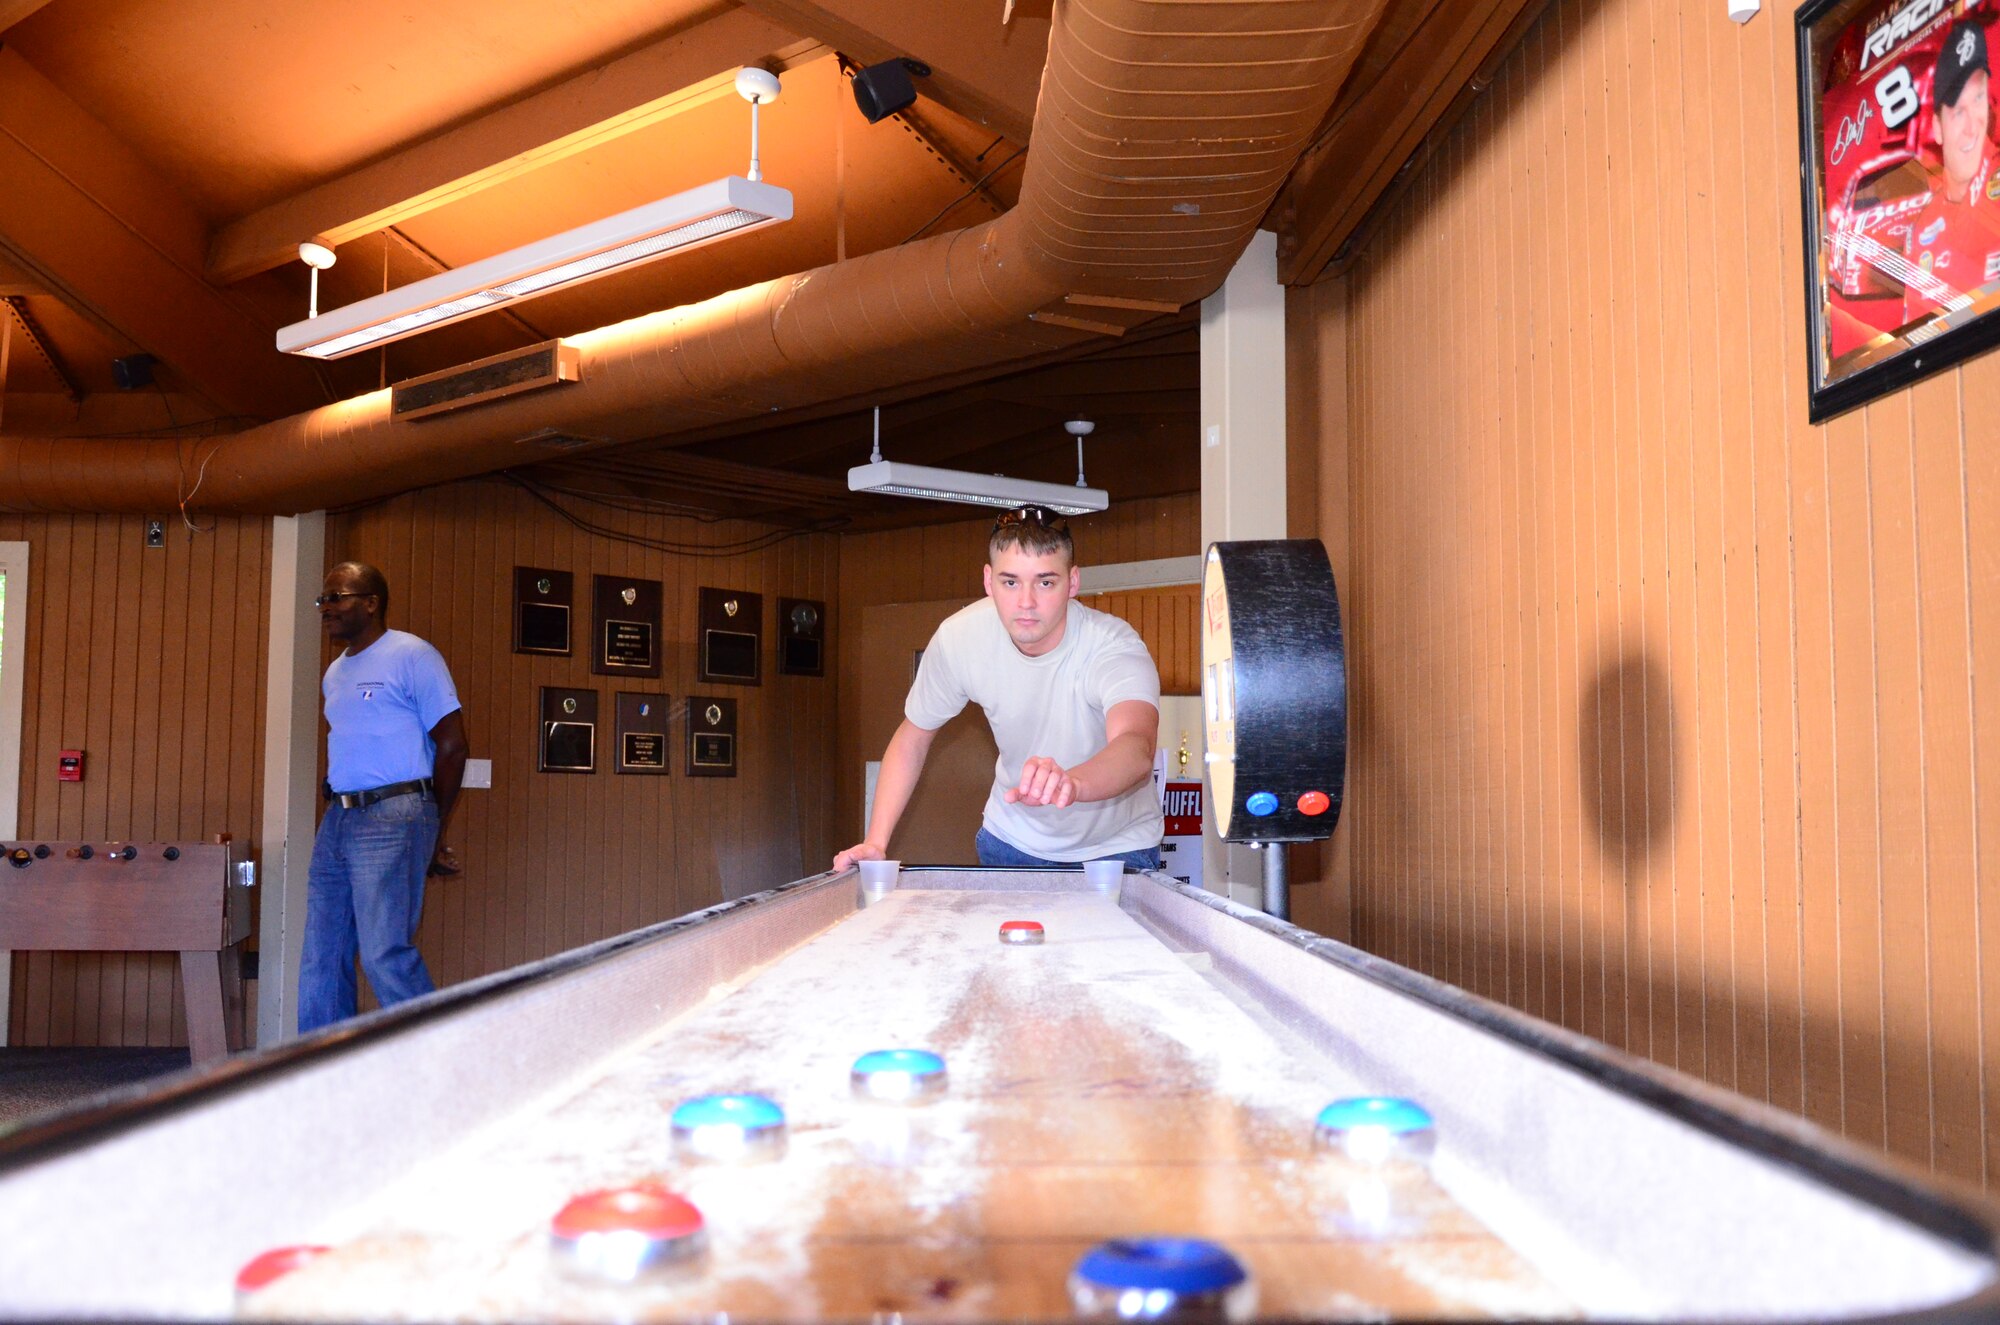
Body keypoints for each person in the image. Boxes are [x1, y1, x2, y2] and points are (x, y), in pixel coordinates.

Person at [834, 506, 1164, 872]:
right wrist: (876, 843)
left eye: (1045, 582)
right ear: (988, 581)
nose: (1026, 602)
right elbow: (913, 736)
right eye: (1010, 582)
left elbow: (1136, 746)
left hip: (1114, 850)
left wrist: (1072, 783)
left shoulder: (1112, 645)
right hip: (1010, 840)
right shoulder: (960, 638)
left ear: (1072, 583)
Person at [298, 561, 468, 1032]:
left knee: (382, 952)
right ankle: (321, 1067)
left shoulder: (413, 655)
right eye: (323, 600)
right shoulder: (335, 673)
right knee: (322, 951)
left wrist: (433, 829)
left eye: (338, 597)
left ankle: (438, 1056)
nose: (326, 608)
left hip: (395, 814)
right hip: (338, 818)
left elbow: (453, 746)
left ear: (371, 603)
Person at [1903, 17, 2000, 323]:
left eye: (1979, 99)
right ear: (1937, 128)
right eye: (1958, 112)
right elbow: (1913, 342)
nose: (1973, 127)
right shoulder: (1923, 228)